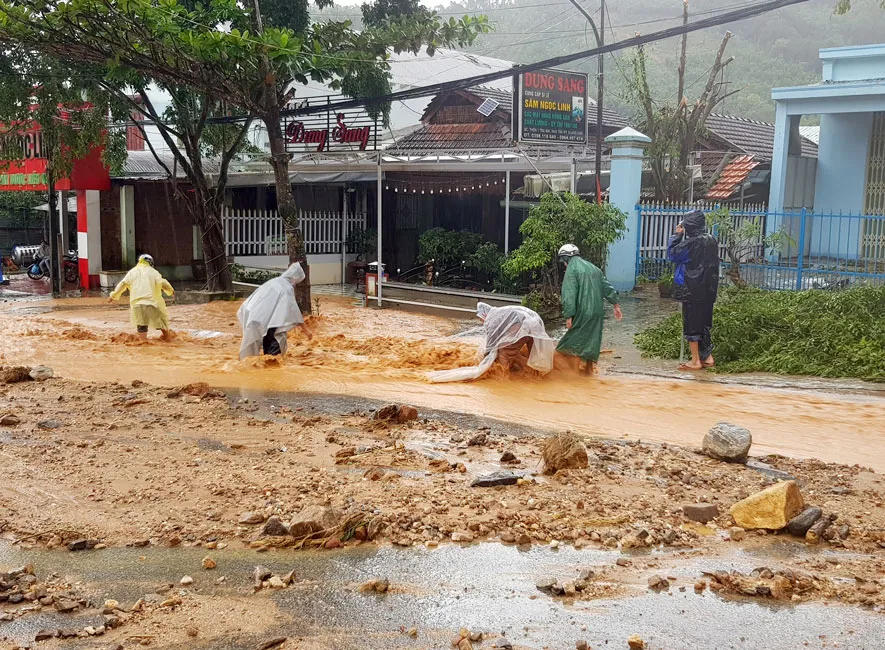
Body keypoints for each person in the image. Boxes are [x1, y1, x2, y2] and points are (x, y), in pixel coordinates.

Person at [428, 301, 554, 383]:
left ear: (484, 315)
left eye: (480, 318)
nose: (481, 321)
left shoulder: (491, 320)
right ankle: (537, 375)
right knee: (525, 353)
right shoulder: (498, 312)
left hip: (525, 326)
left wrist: (484, 362)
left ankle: (503, 379)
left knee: (503, 352)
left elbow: (491, 344)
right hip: (535, 323)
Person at [555, 244, 623, 375]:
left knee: (570, 344)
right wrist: (616, 305)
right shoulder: (594, 268)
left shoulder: (572, 269)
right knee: (592, 341)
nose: (563, 264)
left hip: (583, 312)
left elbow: (569, 293)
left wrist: (568, 316)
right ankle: (589, 372)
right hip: (597, 312)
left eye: (563, 261)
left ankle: (572, 375)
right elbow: (607, 288)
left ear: (566, 258)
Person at [667, 209, 720, 371]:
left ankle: (695, 361)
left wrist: (676, 236)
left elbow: (673, 255)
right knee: (704, 323)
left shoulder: (691, 243)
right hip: (708, 289)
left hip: (691, 289)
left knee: (692, 325)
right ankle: (707, 357)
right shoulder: (712, 240)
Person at [237, 262, 313, 360]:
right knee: (274, 357)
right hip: (270, 323)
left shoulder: (274, 281)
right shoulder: (286, 287)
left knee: (249, 355)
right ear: (295, 279)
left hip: (253, 316)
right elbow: (294, 311)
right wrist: (306, 330)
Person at [107, 254, 175, 340]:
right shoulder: (153, 272)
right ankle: (168, 339)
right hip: (152, 304)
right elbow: (163, 283)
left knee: (141, 327)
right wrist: (171, 291)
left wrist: (113, 296)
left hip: (137, 305)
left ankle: (143, 346)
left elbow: (122, 284)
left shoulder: (132, 272)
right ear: (151, 262)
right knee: (162, 324)